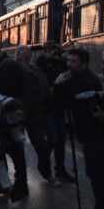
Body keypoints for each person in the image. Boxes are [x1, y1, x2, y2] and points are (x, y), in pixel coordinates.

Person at [0, 41, 58, 186]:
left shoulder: (6, 66)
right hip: (21, 112)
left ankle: (22, 183)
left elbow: (6, 91)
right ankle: (17, 182)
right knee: (18, 147)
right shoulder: (3, 64)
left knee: (19, 148)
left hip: (19, 113)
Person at [55, 48, 104, 209]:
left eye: (73, 62)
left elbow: (62, 103)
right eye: (68, 61)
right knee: (95, 174)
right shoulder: (78, 79)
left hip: (97, 135)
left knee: (100, 176)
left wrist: (58, 85)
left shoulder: (85, 82)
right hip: (91, 134)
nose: (69, 65)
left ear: (84, 64)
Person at [36, 41, 75, 182]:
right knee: (53, 139)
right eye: (50, 51)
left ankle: (60, 169)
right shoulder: (40, 66)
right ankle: (44, 165)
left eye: (55, 51)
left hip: (58, 107)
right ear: (44, 51)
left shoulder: (60, 64)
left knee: (61, 141)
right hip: (46, 108)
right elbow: (43, 87)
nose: (52, 54)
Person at [0, 98, 30, 203]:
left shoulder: (18, 119)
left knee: (19, 161)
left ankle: (18, 187)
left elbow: (17, 129)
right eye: (17, 115)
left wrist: (20, 139)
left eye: (22, 116)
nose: (19, 118)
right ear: (10, 112)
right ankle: (3, 186)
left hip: (7, 137)